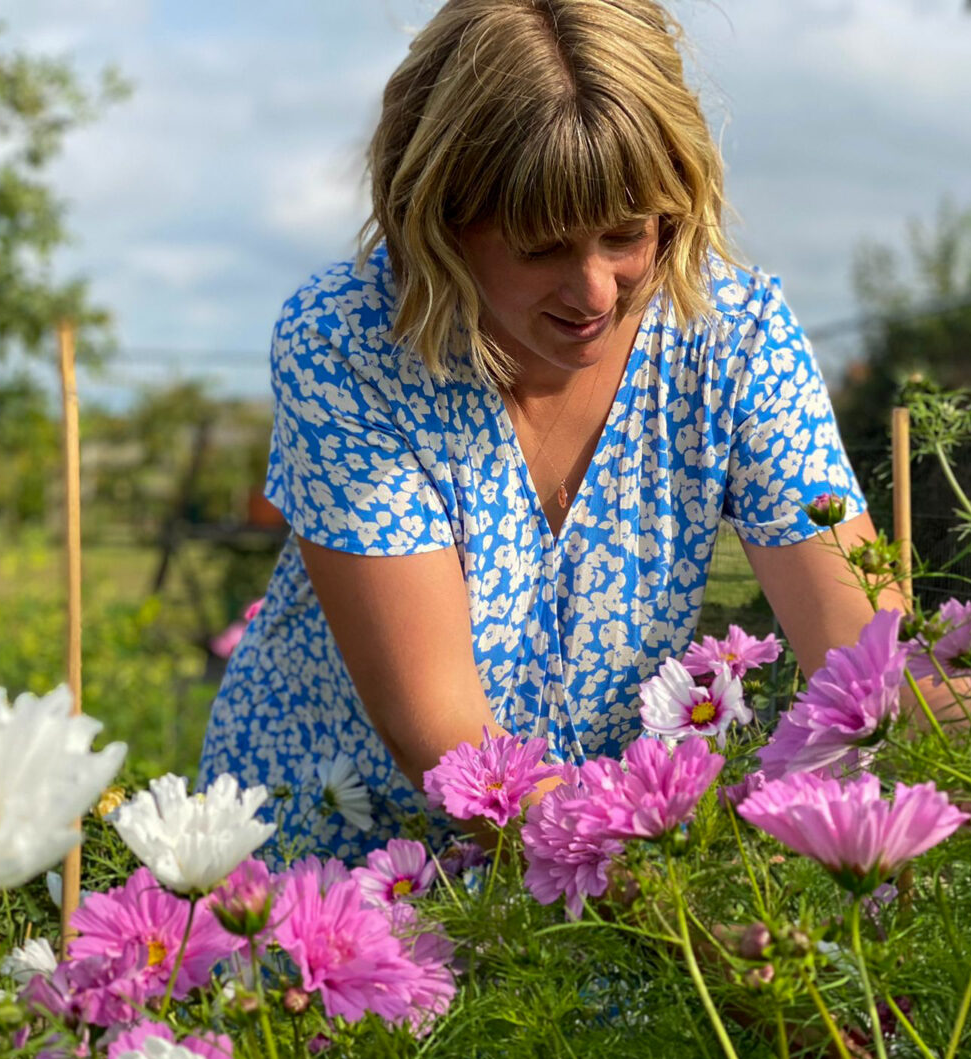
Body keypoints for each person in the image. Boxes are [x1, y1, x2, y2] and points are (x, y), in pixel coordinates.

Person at [200, 0, 894, 860]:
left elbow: (864, 664)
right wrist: (675, 881)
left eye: (625, 234)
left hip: (599, 872)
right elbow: (444, 738)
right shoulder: (348, 345)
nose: (595, 290)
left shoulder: (734, 338)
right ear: (444, 222)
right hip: (340, 864)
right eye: (541, 247)